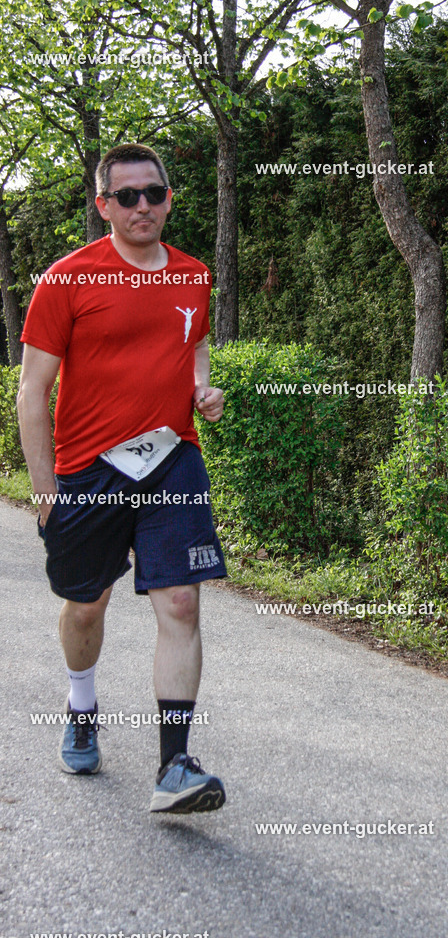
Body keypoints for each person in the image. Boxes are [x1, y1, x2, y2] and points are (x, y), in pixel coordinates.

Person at [17, 143, 227, 814]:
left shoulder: (194, 274)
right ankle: (82, 706)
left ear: (170, 198)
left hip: (172, 457)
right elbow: (31, 391)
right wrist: (45, 487)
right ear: (103, 204)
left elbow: (192, 342)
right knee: (86, 606)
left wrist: (200, 387)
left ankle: (175, 767)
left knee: (182, 604)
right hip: (87, 470)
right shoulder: (67, 279)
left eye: (154, 193)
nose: (143, 206)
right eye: (127, 196)